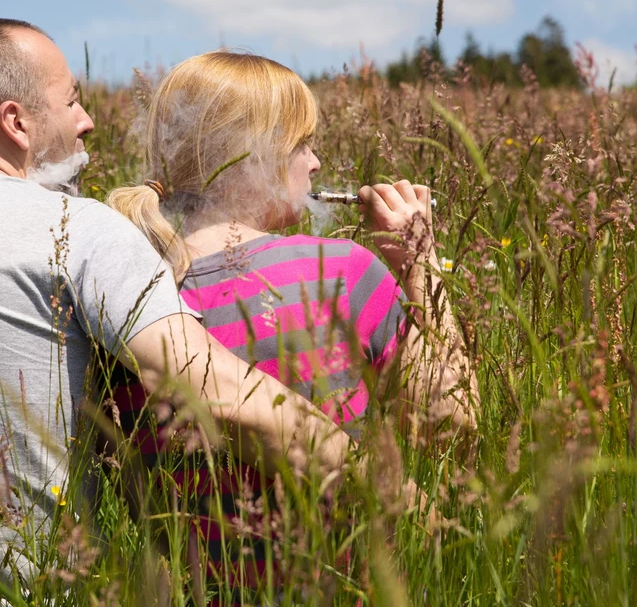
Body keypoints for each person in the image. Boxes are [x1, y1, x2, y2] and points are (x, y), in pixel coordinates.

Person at [0, 20, 351, 593]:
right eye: (71, 101)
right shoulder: (76, 228)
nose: (87, 121)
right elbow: (212, 390)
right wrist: (373, 478)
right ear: (15, 122)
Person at [106, 50, 478, 603]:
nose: (317, 164)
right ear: (257, 154)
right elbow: (453, 425)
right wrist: (420, 262)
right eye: (303, 144)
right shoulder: (342, 270)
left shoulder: (129, 293)